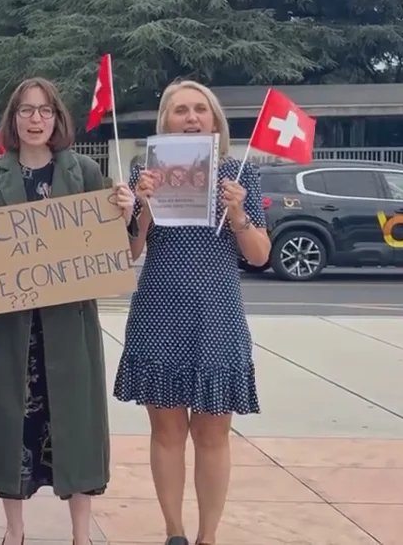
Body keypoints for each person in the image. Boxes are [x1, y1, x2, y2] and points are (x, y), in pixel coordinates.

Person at [0, 78, 134, 545]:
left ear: (57, 119)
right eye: (26, 111)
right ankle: (14, 531)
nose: (35, 119)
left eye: (45, 111)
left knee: (75, 430)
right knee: (10, 429)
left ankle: (81, 534)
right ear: (12, 119)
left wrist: (125, 214)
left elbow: (113, 253)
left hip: (67, 327)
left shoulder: (84, 173)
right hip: (10, 330)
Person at [114, 80, 271, 545]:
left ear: (215, 121)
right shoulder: (146, 172)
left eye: (200, 109)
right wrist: (141, 206)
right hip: (158, 311)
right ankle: (175, 533)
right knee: (166, 432)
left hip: (217, 315)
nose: (191, 117)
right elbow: (127, 253)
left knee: (212, 433)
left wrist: (239, 214)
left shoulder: (238, 175)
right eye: (180, 110)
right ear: (165, 122)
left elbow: (260, 255)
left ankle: (208, 536)